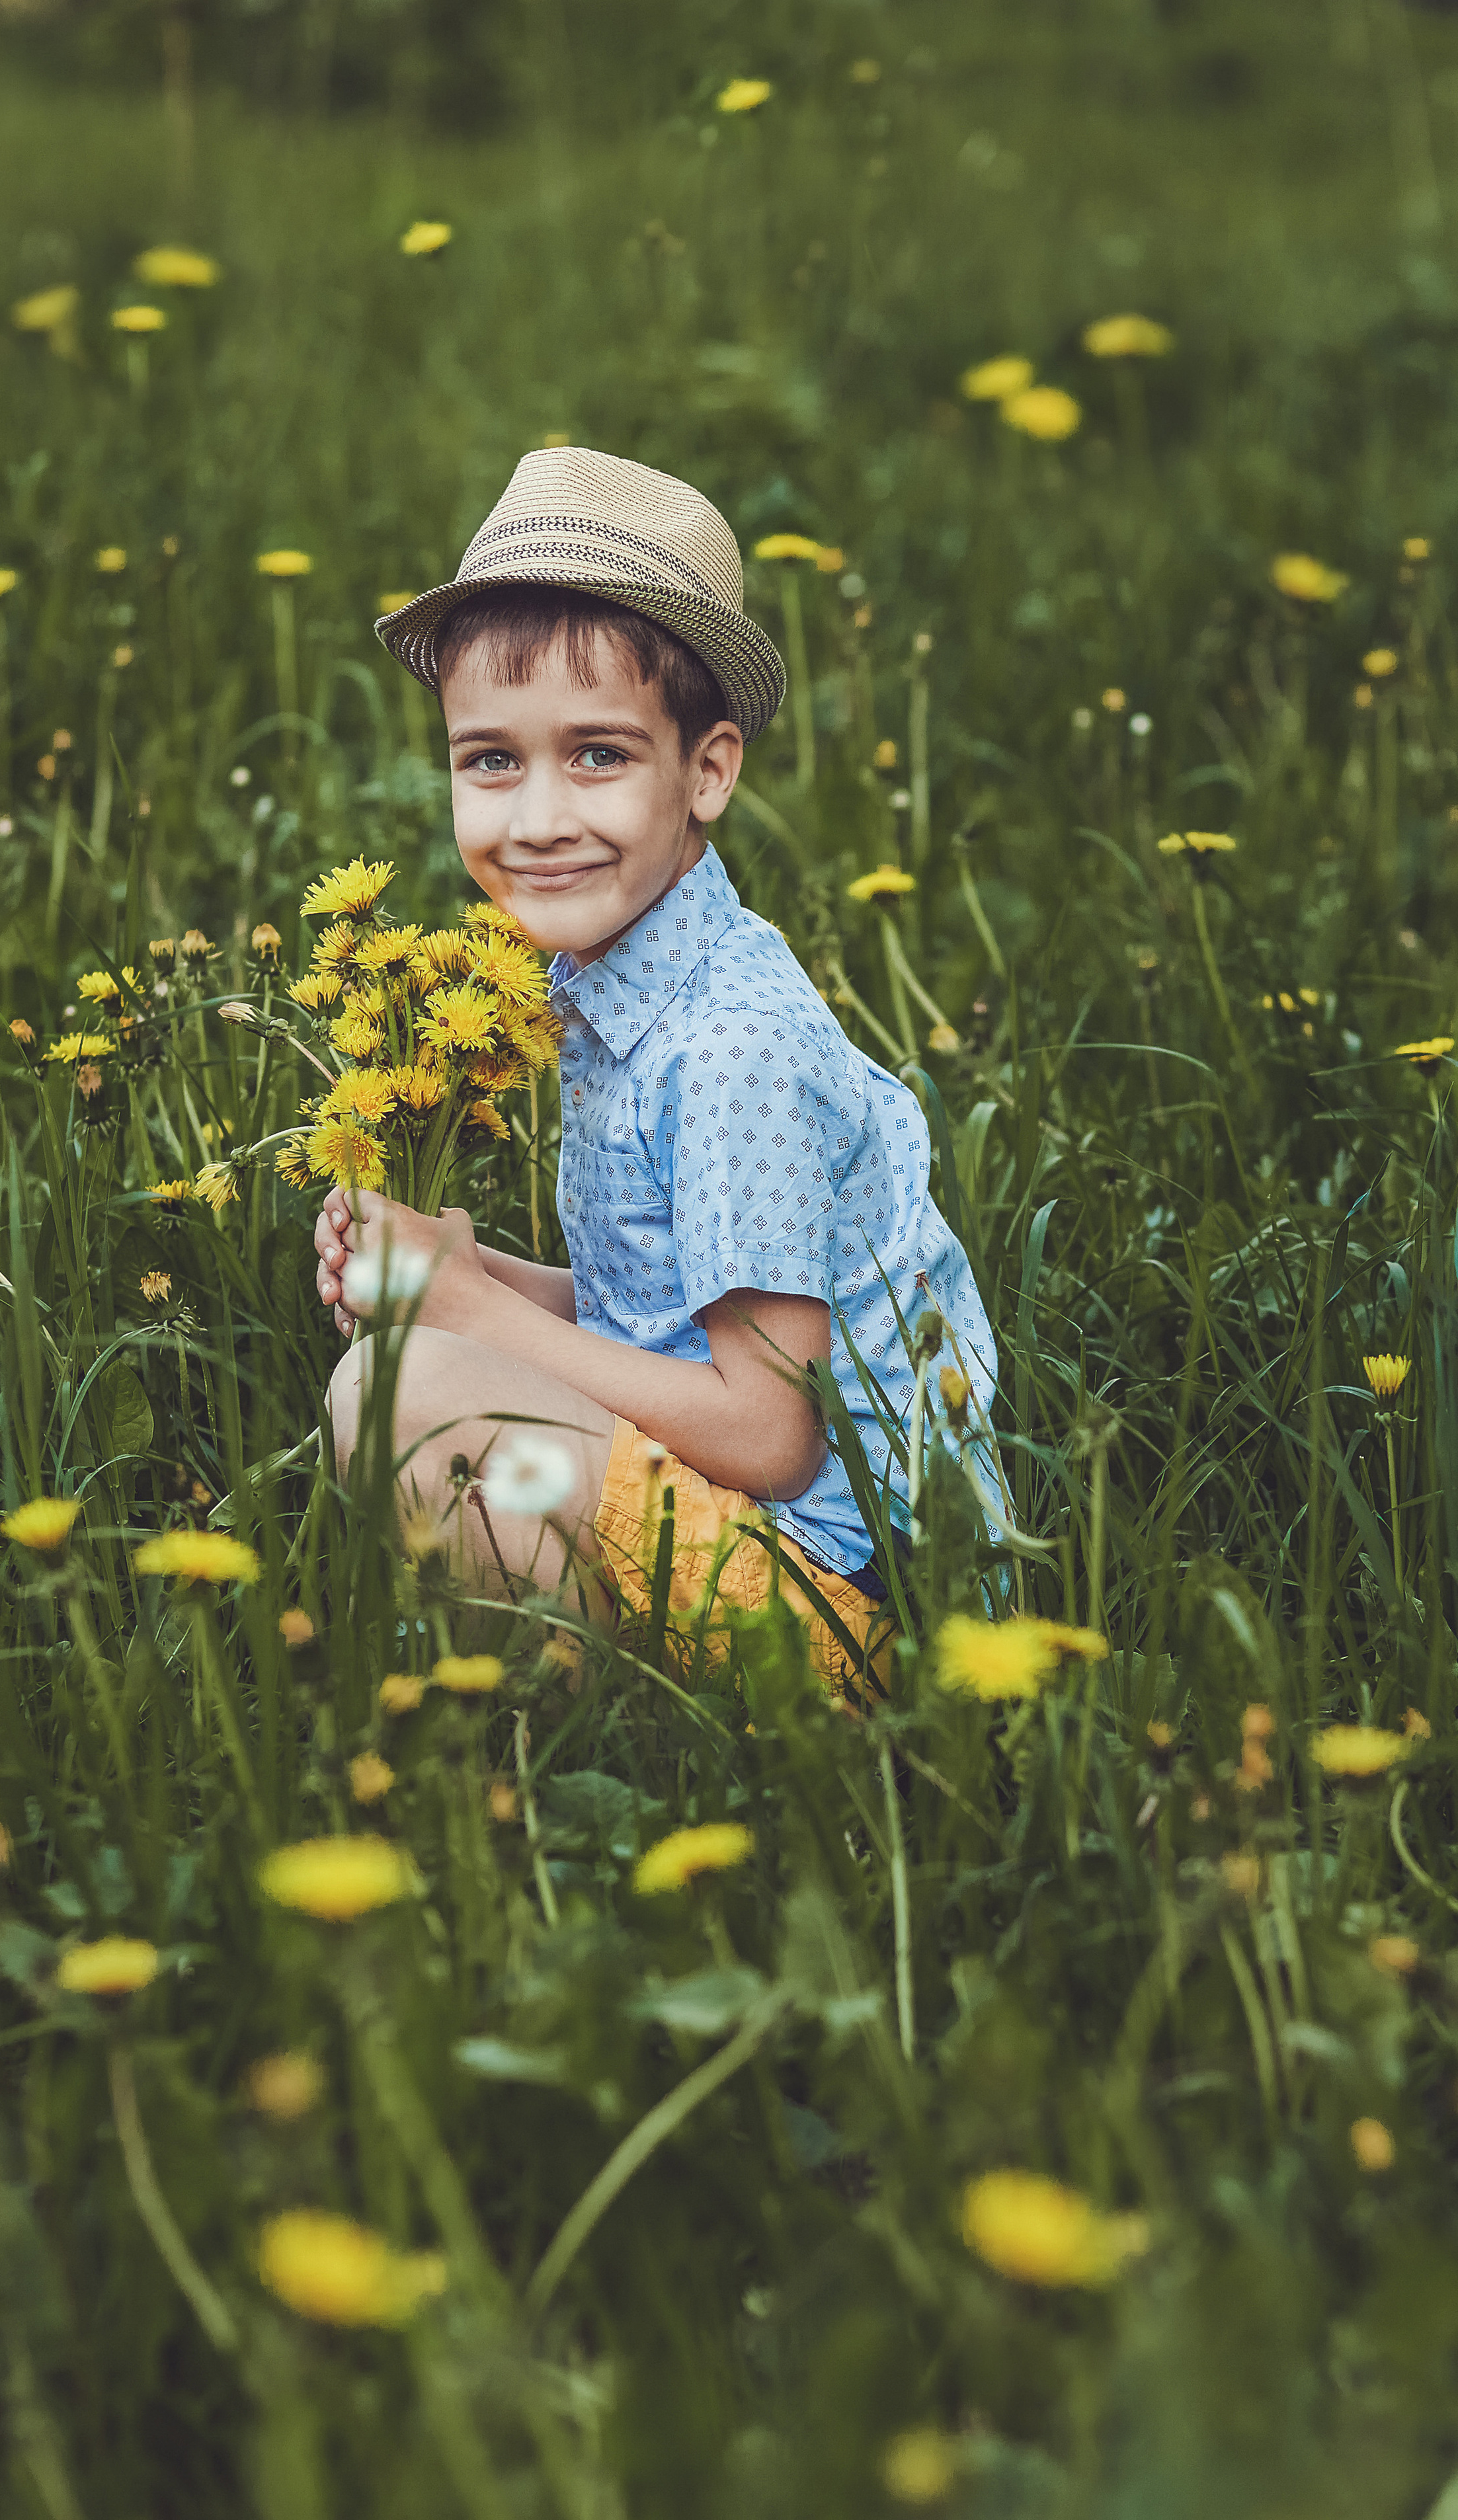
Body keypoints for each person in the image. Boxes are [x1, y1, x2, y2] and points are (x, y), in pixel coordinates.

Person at [314, 446, 994, 1696]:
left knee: (412, 1394)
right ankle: (597, 1731)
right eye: (491, 761)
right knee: (416, 1368)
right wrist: (472, 1274)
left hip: (840, 1612)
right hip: (761, 1543)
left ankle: (616, 1730)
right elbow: (670, 1310)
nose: (537, 819)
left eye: (599, 756)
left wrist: (477, 1320)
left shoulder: (733, 1048)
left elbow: (770, 1433)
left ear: (709, 772)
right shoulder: (631, 985)